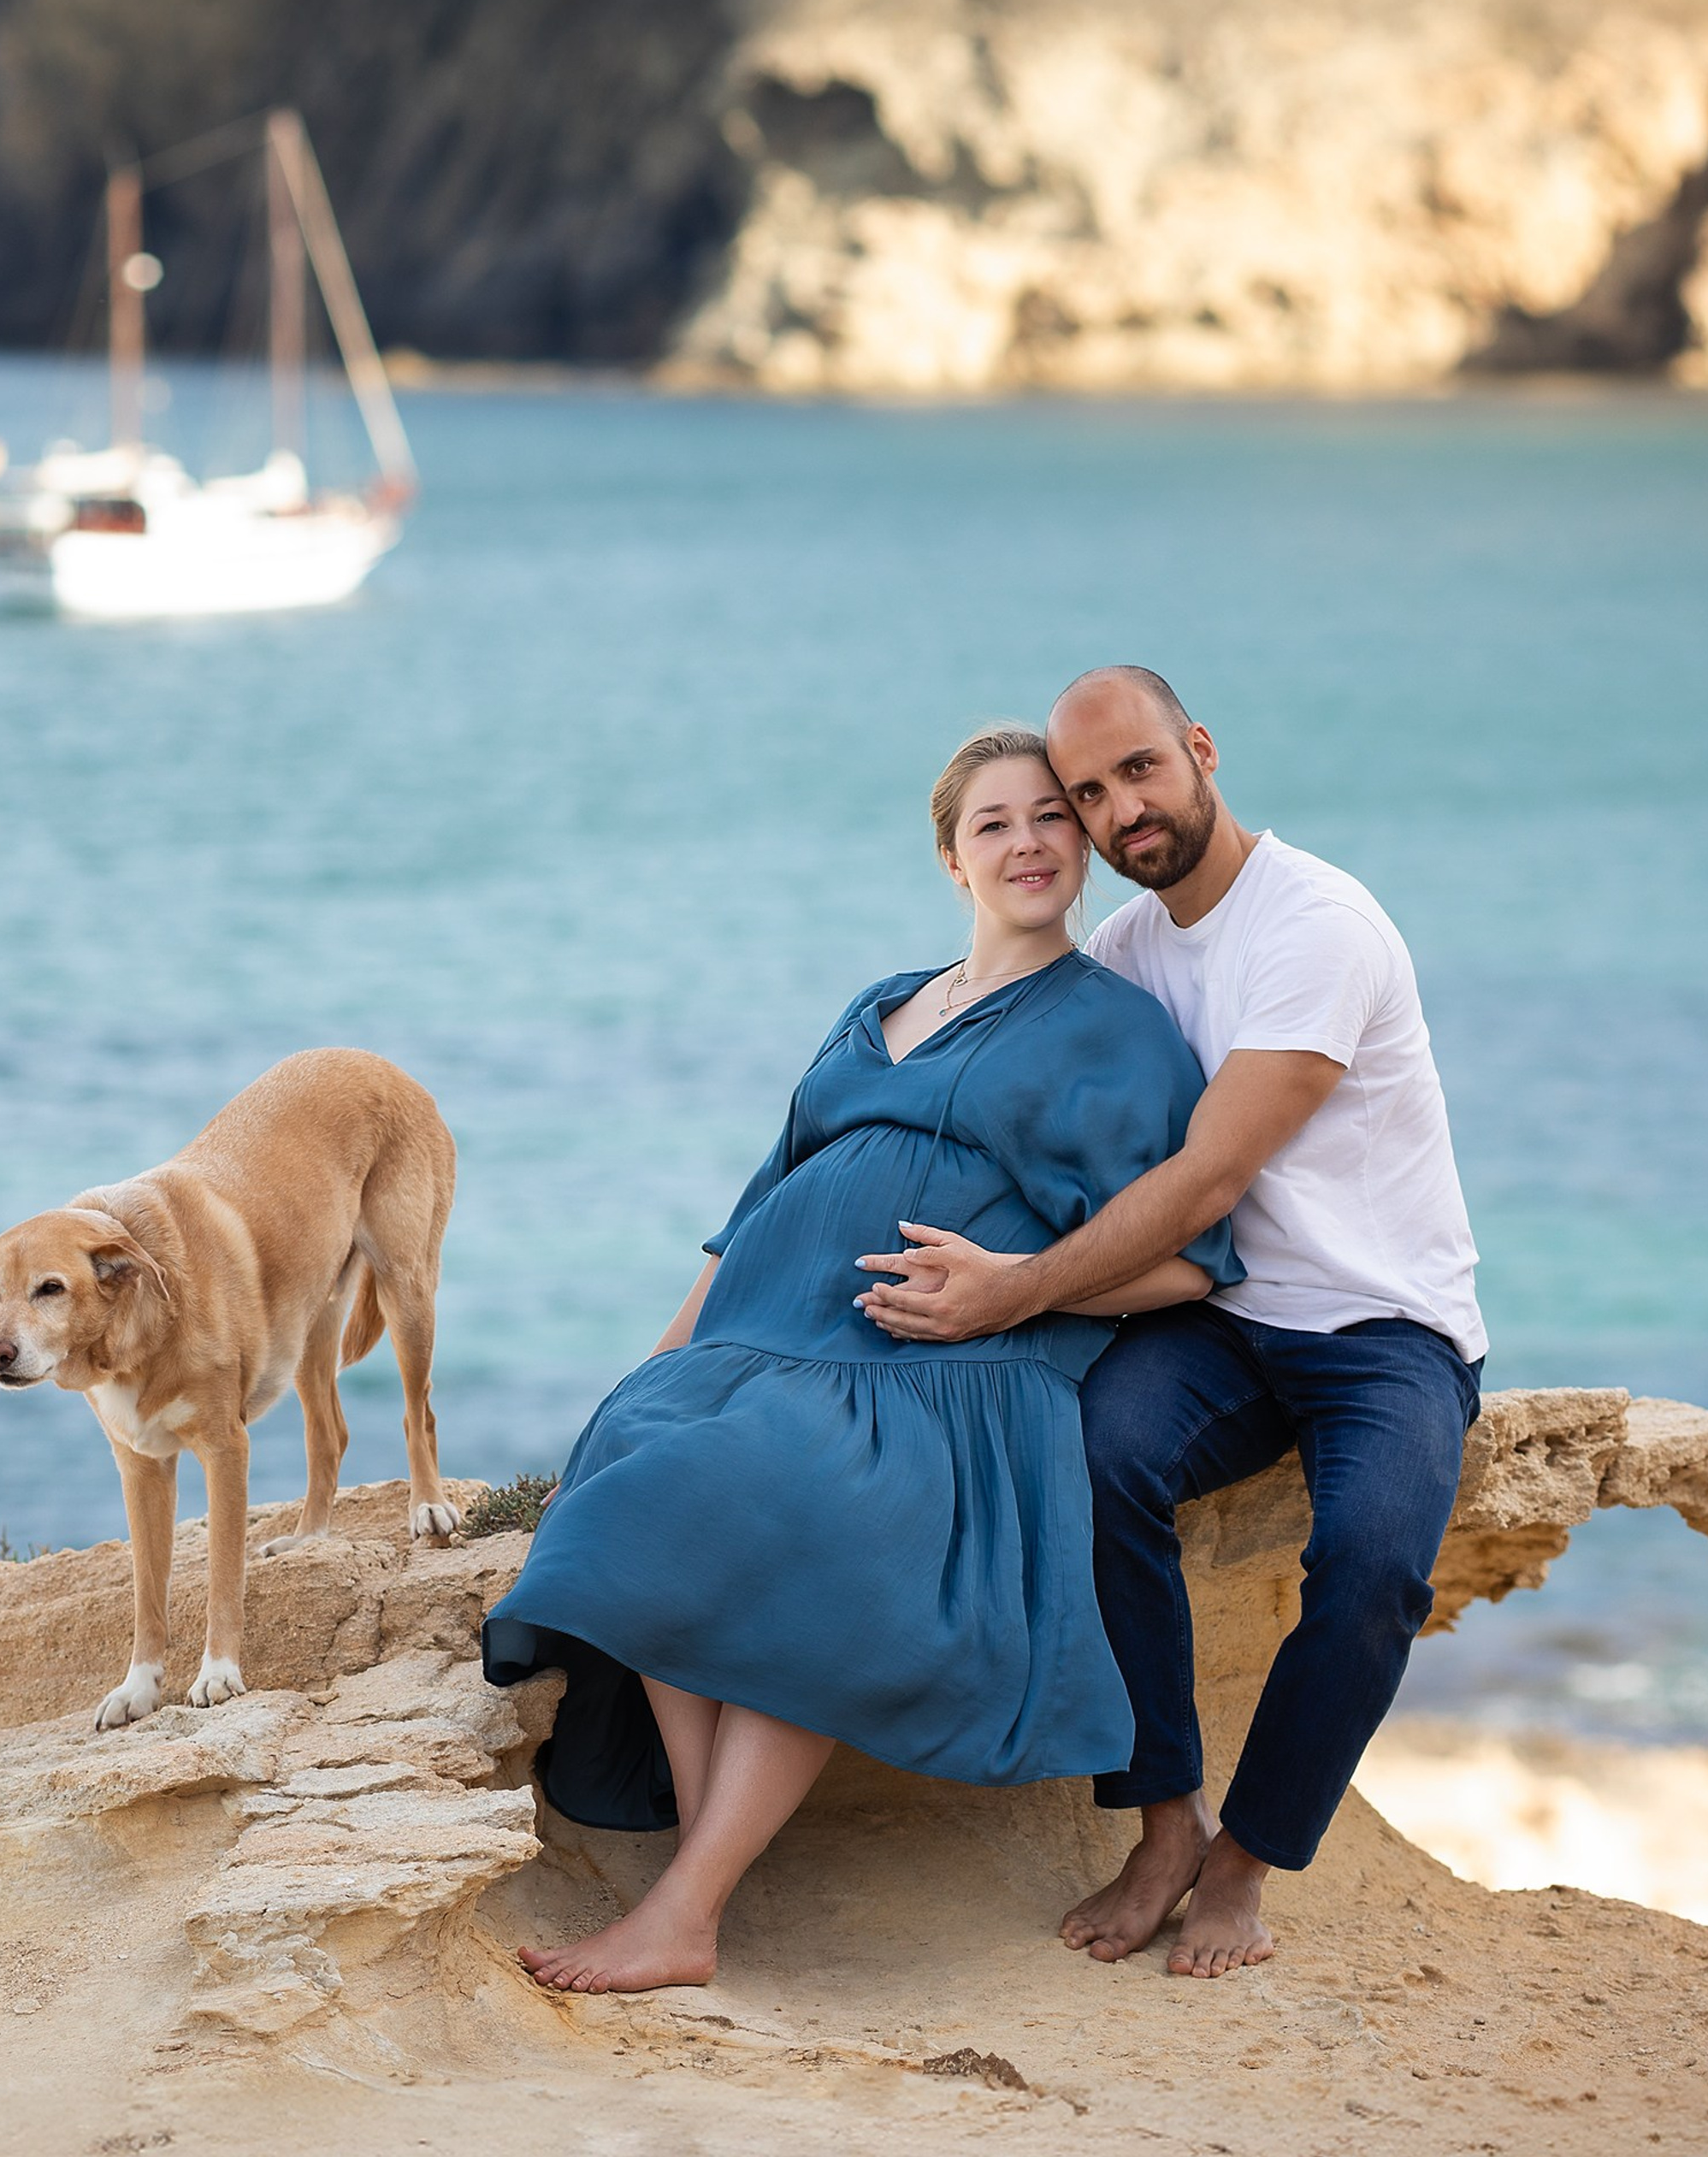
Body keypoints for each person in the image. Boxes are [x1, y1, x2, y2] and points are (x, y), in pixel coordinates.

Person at [482, 726, 1242, 1994]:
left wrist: (1005, 1305)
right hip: (764, 1339)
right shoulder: (878, 1003)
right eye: (994, 823)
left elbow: (1192, 1260)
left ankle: (686, 1910)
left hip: (936, 1378)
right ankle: (703, 1837)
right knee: (639, 1463)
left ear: (1088, 844)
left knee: (811, 1510)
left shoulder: (1117, 1033)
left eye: (1054, 816)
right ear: (952, 857)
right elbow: (758, 1204)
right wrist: (661, 1363)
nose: (1029, 842)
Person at [856, 665, 1484, 1980]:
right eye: (1089, 794)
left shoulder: (1318, 925)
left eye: (1139, 770)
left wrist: (1014, 1289)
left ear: (1200, 751)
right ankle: (1162, 1822)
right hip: (1228, 1319)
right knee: (1092, 1463)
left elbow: (1203, 1180)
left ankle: (1244, 1863)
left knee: (1372, 1571)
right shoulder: (1132, 950)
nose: (1119, 810)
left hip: (1384, 1330)